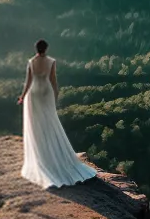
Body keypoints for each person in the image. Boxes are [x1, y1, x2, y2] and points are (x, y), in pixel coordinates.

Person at [17, 39, 96, 188]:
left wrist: (22, 96)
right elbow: (53, 81)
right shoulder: (51, 61)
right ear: (46, 49)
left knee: (36, 124)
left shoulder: (31, 62)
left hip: (33, 93)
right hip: (46, 92)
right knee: (50, 122)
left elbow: (28, 81)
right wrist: (56, 97)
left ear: (36, 49)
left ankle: (41, 154)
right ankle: (53, 152)